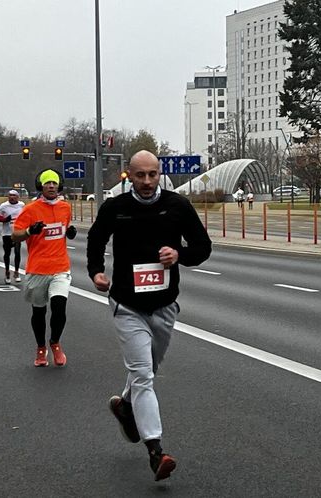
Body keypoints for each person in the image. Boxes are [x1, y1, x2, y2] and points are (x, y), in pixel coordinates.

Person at [86, 150, 212, 481]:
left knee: (149, 369)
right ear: (129, 175)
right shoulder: (115, 208)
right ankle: (156, 451)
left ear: (159, 175)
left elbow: (203, 247)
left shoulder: (177, 206)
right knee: (143, 376)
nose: (146, 181)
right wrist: (96, 272)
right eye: (139, 175)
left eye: (152, 175)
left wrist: (179, 254)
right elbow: (96, 240)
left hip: (165, 305)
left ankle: (124, 406)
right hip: (127, 305)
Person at [13, 169, 76, 368]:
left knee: (59, 307)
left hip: (60, 267)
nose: (51, 186)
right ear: (41, 186)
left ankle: (55, 342)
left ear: (59, 186)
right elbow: (15, 235)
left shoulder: (66, 207)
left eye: (54, 183)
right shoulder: (31, 209)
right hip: (37, 268)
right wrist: (31, 231)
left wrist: (71, 232)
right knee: (39, 312)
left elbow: (65, 229)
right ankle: (41, 348)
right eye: (47, 183)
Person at [0, 190, 25, 284]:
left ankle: (16, 272)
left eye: (14, 196)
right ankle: (7, 271)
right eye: (10, 195)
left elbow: (26, 215)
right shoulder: (4, 206)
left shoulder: (21, 205)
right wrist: (4, 219)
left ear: (17, 197)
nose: (12, 197)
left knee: (17, 252)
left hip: (17, 232)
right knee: (7, 253)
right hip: (6, 233)